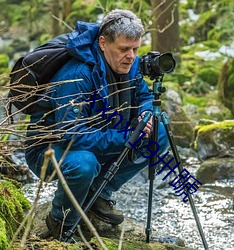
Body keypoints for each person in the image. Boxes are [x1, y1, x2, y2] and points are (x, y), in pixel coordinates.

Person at [25, 9, 169, 241]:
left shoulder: (129, 64)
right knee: (84, 164)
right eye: (124, 49)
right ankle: (60, 221)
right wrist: (126, 136)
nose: (131, 56)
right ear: (103, 43)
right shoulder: (76, 75)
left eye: (136, 49)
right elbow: (71, 136)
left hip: (101, 134)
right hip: (50, 150)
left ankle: (99, 193)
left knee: (158, 133)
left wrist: (145, 113)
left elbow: (143, 96)